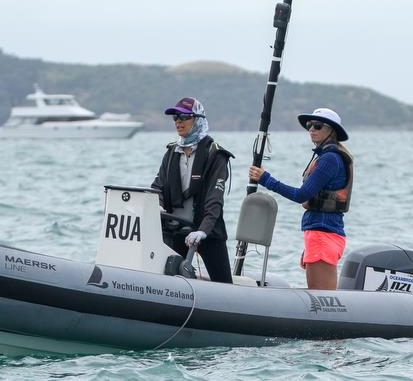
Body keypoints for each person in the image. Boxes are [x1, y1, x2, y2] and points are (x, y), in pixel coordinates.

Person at [248, 108, 353, 290]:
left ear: (332, 131)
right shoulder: (327, 156)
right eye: (309, 125)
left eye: (318, 126)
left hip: (323, 234)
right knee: (317, 295)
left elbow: (301, 195)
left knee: (322, 299)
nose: (312, 129)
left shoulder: (330, 159)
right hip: (319, 233)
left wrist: (266, 179)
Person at [151, 97, 234, 284]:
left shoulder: (216, 154)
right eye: (175, 117)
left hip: (207, 232)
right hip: (176, 230)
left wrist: (203, 231)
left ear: (198, 119)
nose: (178, 121)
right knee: (165, 282)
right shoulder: (171, 152)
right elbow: (158, 187)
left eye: (184, 116)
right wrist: (157, 204)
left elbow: (215, 199)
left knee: (224, 284)